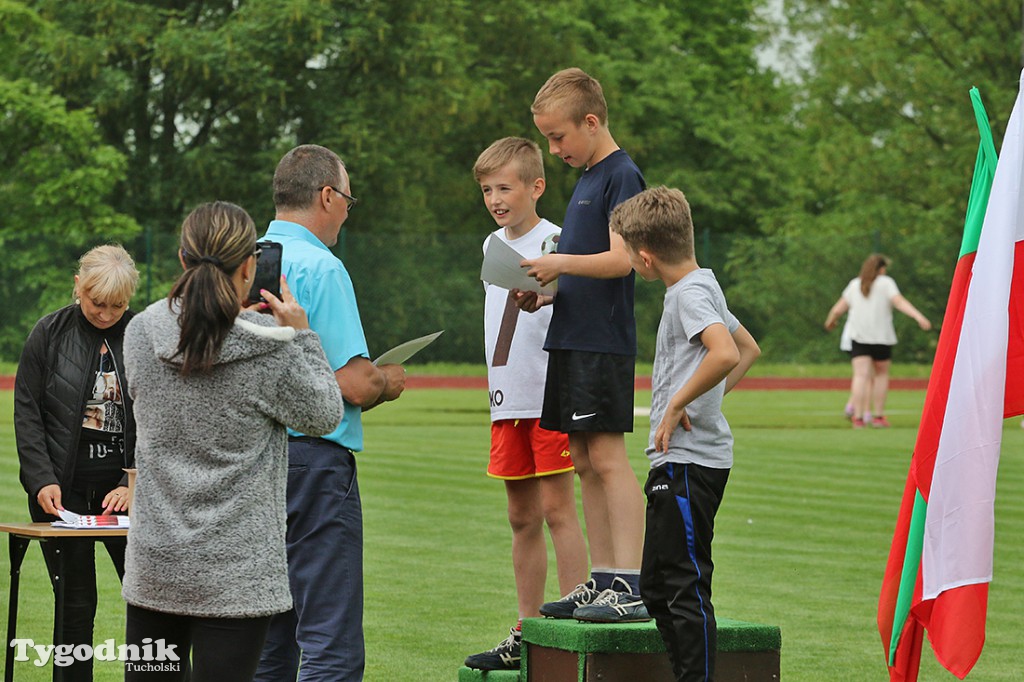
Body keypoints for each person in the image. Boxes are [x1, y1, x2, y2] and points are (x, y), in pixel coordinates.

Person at [121, 201, 343, 680]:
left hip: (156, 564)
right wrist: (301, 337)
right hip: (238, 575)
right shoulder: (270, 343)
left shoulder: (140, 331)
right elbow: (325, 414)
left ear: (183, 259)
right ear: (249, 266)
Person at [255, 144, 406, 682]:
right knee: (329, 641)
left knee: (266, 642)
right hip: (313, 461)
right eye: (347, 198)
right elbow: (351, 382)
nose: (347, 210)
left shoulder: (241, 260)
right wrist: (388, 380)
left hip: (249, 464)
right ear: (326, 195)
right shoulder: (322, 266)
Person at [513, 66, 648, 621]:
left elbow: (623, 260)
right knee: (585, 460)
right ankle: (604, 578)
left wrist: (557, 262)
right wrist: (546, 293)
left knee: (609, 457)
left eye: (559, 136)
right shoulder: (588, 179)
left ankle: (633, 584)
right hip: (571, 336)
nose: (553, 148)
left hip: (603, 343)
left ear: (591, 122)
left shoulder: (622, 175)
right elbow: (586, 273)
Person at [609, 186, 760, 682]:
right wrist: (702, 399)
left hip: (689, 463)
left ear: (645, 257)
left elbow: (725, 352)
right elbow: (748, 348)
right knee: (654, 587)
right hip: (675, 462)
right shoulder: (702, 283)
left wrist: (678, 404)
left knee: (684, 586)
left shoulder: (689, 294)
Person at [464, 137, 588, 671]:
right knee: (521, 517)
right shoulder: (492, 243)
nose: (495, 198)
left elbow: (577, 298)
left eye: (505, 187)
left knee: (559, 510)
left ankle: (576, 622)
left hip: (547, 397)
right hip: (506, 399)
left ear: (536, 186)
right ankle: (529, 627)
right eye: (488, 189)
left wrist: (553, 286)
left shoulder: (558, 239)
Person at [14, 244, 139, 682]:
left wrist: (135, 482)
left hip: (128, 499)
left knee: (151, 606)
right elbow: (27, 413)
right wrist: (41, 481)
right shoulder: (47, 334)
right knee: (74, 607)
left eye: (117, 305)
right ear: (78, 287)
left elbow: (164, 415)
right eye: (96, 303)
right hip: (63, 499)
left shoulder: (143, 336)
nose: (106, 314)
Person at [824, 254, 931, 428]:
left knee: (860, 376)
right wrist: (918, 317)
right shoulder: (886, 283)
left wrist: (830, 322)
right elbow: (899, 302)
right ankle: (878, 416)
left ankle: (858, 418)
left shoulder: (855, 284)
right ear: (881, 269)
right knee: (881, 375)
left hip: (859, 337)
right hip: (881, 337)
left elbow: (837, 309)